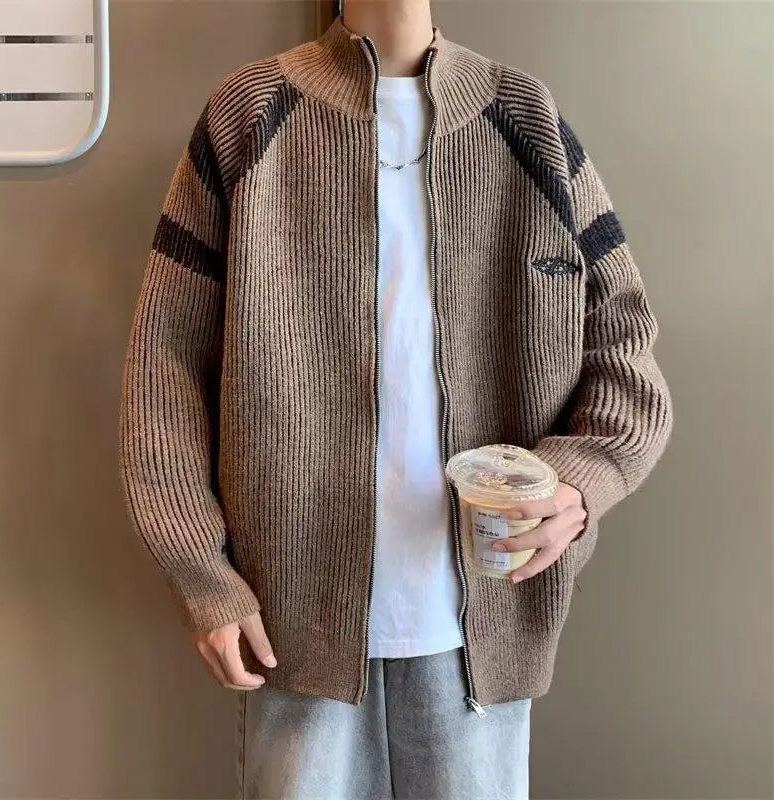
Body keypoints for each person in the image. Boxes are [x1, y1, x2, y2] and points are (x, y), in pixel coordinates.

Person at [118, 2, 673, 798]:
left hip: (488, 615)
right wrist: (201, 572)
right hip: (288, 626)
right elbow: (163, 366)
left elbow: (625, 348)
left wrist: (581, 483)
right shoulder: (251, 114)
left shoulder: (525, 119)